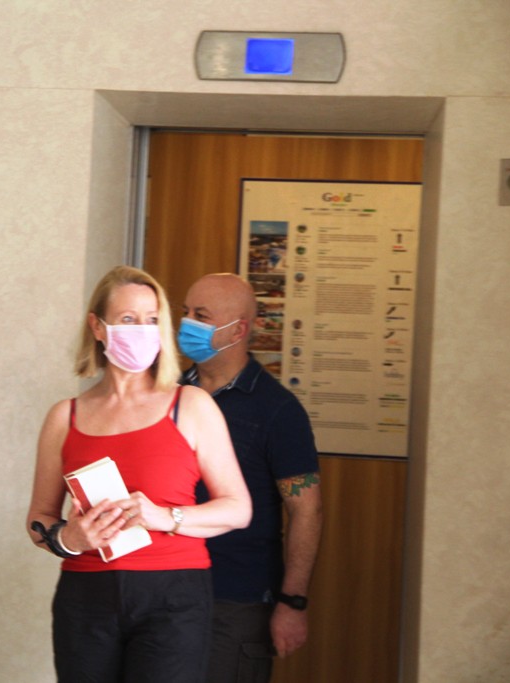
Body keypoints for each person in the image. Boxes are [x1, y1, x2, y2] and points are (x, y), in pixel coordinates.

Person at [26, 265, 252, 683]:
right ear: (98, 327)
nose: (142, 331)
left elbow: (238, 509)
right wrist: (69, 539)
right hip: (86, 597)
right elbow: (38, 518)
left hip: (174, 598)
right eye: (128, 319)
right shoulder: (64, 417)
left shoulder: (191, 406)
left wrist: (164, 516)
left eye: (151, 320)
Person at [177, 273, 322, 683]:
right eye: (185, 312)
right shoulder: (167, 394)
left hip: (236, 601)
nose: (186, 324)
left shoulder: (277, 410)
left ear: (238, 330)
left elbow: (306, 511)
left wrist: (292, 602)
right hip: (163, 590)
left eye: (201, 315)